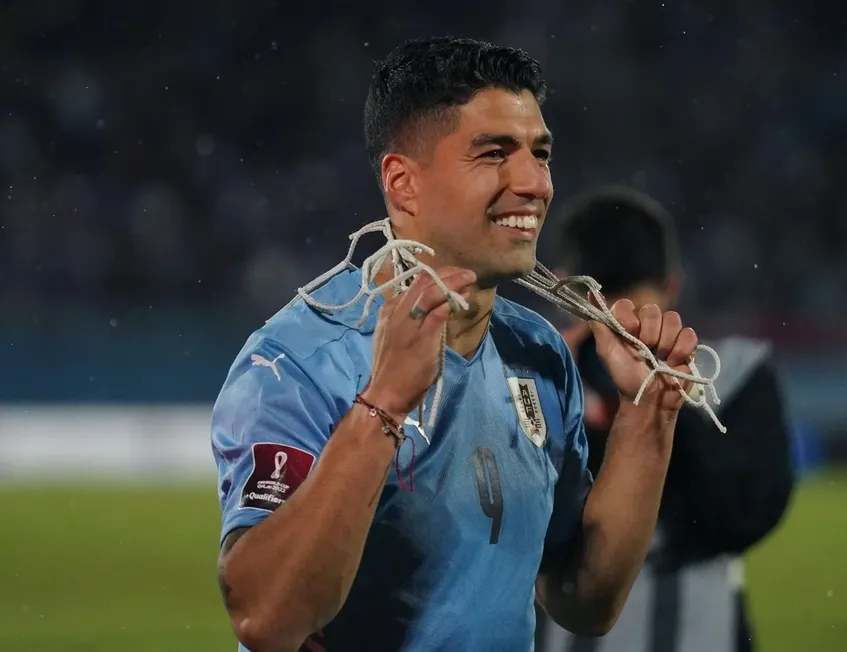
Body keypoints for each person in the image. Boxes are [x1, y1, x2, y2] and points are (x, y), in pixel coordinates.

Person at [211, 38, 708, 652]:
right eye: (493, 154)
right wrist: (384, 403)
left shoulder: (538, 352)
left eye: (540, 153)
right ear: (403, 183)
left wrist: (648, 414)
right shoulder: (298, 362)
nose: (533, 183)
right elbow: (266, 618)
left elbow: (582, 599)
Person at [535, 186, 797, 652]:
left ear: (562, 290)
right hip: (700, 632)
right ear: (672, 284)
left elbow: (744, 514)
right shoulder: (538, 378)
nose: (624, 335)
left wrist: (660, 399)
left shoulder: (727, 375)